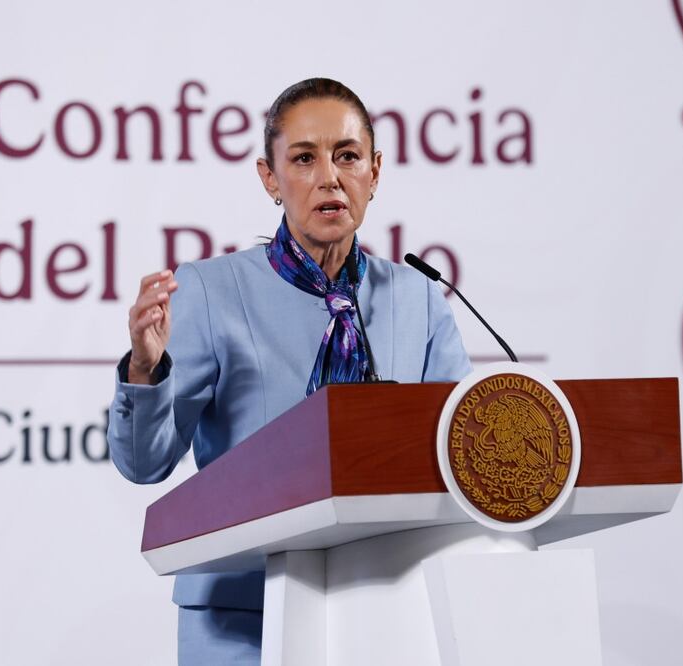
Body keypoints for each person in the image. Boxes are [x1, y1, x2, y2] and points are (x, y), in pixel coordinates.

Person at [106, 78, 472, 664]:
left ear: (374, 172)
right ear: (270, 178)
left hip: (389, 612)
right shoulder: (211, 290)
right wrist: (146, 371)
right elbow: (144, 463)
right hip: (242, 613)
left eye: (347, 156)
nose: (329, 176)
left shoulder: (418, 298)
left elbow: (464, 453)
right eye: (304, 158)